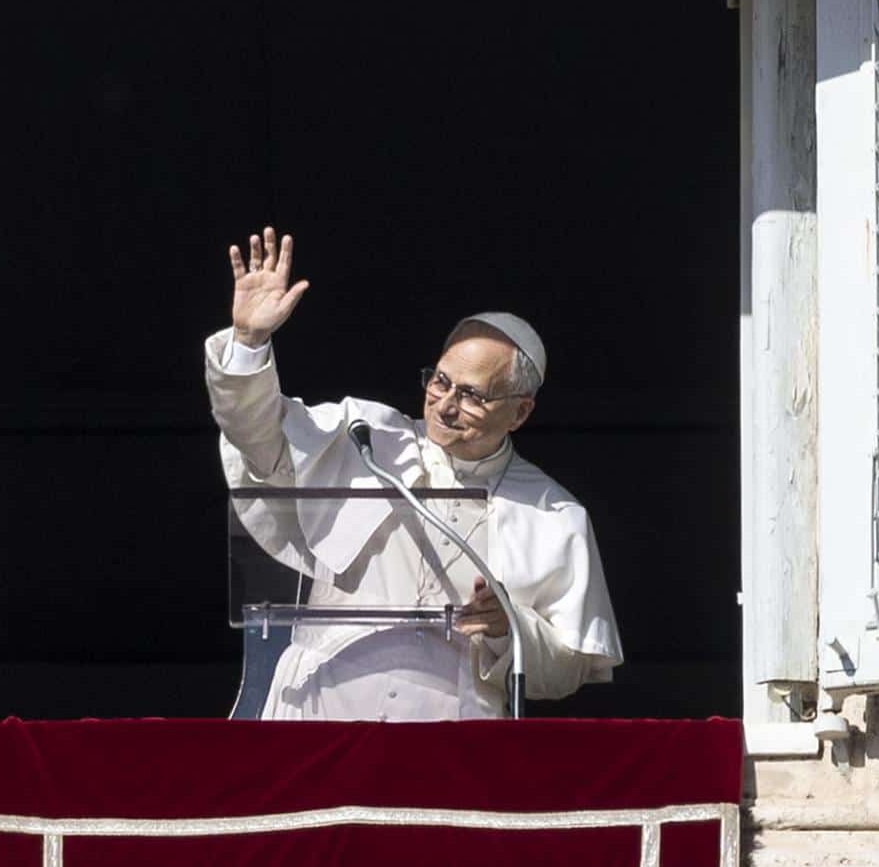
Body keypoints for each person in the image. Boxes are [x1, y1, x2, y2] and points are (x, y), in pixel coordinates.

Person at [207, 225, 623, 720]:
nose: (445, 405)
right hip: (320, 711)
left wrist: (509, 628)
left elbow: (571, 664)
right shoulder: (364, 437)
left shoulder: (553, 513)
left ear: (519, 412)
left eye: (471, 394)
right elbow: (257, 437)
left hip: (450, 736)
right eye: (440, 381)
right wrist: (250, 342)